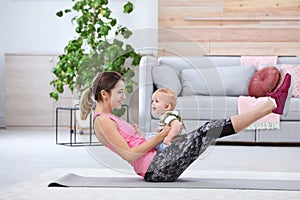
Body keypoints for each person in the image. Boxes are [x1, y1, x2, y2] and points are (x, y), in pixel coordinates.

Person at [80, 71, 292, 182]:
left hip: (158, 161)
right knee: (207, 130)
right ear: (104, 94)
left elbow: (133, 145)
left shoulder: (109, 118)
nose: (123, 97)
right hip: (156, 169)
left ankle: (271, 105)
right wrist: (160, 135)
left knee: (208, 130)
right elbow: (130, 155)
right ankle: (271, 105)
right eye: (119, 92)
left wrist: (148, 136)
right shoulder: (102, 121)